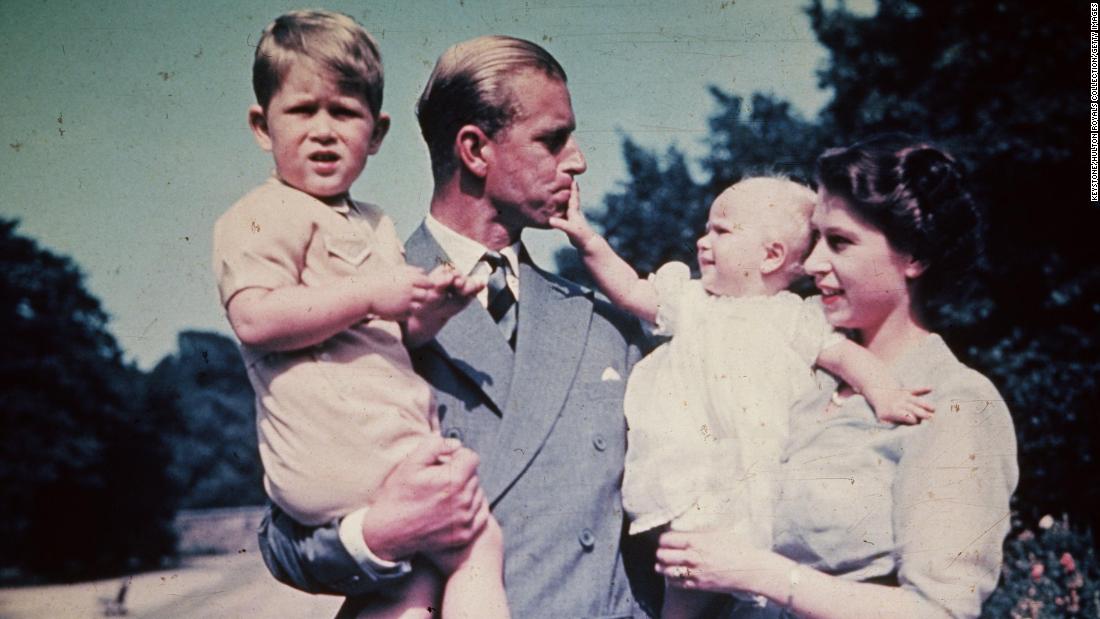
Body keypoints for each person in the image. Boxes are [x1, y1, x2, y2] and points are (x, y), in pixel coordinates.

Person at [257, 35, 657, 618]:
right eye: (553, 139)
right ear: (474, 149)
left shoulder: (605, 324)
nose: (578, 160)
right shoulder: (350, 308)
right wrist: (381, 536)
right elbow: (283, 540)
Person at [212, 11, 507, 618]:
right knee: (478, 539)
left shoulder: (373, 222)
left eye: (344, 113)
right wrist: (372, 291)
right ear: (261, 126)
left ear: (376, 133)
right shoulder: (260, 215)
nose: (323, 131)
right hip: (336, 451)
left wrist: (433, 311)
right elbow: (255, 320)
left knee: (411, 584)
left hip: (382, 445)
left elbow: (391, 335)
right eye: (302, 111)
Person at [653, 136, 1019, 618]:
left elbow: (940, 611)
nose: (811, 263)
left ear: (913, 257)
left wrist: (759, 573)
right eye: (817, 238)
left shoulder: (957, 402)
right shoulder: (799, 373)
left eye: (840, 242)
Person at [552, 176, 935, 619]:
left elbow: (848, 358)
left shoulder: (793, 318)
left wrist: (885, 394)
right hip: (687, 477)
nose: (702, 241)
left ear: (771, 255)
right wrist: (586, 239)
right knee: (686, 577)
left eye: (721, 231)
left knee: (735, 583)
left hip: (752, 480)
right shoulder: (691, 301)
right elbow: (631, 289)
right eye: (707, 228)